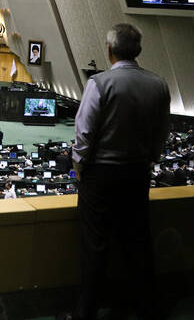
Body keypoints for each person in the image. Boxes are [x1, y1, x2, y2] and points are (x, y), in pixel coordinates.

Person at [69, 23, 170, 320]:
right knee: (137, 242)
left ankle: (85, 313)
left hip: (100, 176)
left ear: (110, 50)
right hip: (138, 173)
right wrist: (148, 160)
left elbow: (83, 134)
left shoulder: (99, 83)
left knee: (95, 246)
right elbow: (161, 133)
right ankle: (144, 309)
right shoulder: (159, 83)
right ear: (137, 50)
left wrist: (79, 169)